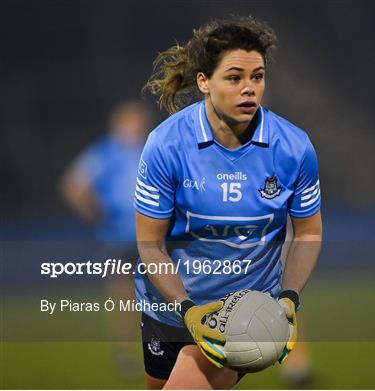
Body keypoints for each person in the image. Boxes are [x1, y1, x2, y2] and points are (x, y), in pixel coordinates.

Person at [135, 16, 322, 389]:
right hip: (169, 311)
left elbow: (308, 232)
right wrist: (187, 311)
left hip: (241, 316)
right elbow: (149, 244)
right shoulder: (167, 145)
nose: (249, 89)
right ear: (204, 82)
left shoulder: (293, 148)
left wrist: (288, 297)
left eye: (258, 76)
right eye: (235, 78)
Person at [60, 100, 152, 377]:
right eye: (131, 119)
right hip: (118, 237)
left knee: (159, 294)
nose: (137, 124)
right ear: (119, 122)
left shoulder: (150, 149)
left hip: (150, 236)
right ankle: (125, 353)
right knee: (124, 296)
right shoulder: (105, 152)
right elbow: (73, 184)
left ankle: (160, 348)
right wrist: (96, 212)